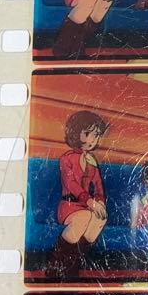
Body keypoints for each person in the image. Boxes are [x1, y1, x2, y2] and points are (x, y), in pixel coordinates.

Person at [48, 110, 109, 279]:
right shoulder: (66, 159)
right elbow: (71, 184)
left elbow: (98, 187)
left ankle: (73, 263)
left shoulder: (92, 161)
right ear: (76, 133)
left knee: (100, 219)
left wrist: (100, 202)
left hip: (86, 206)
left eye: (96, 135)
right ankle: (55, 263)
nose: (92, 140)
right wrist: (90, 202)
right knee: (84, 217)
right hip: (69, 205)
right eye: (88, 134)